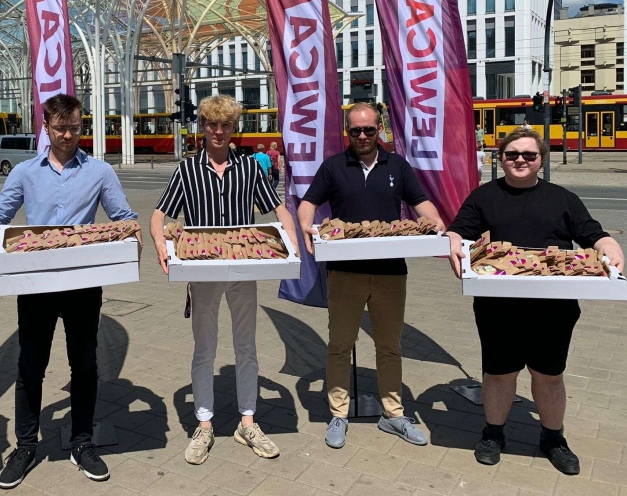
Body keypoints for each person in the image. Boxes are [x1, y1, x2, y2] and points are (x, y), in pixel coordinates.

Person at [0, 94, 140, 489]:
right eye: (60, 128)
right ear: (46, 126)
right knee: (30, 366)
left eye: (74, 128)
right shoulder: (25, 172)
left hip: (82, 284)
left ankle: (81, 442)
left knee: (84, 365)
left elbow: (124, 218)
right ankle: (25, 446)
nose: (68, 135)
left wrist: (132, 243)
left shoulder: (100, 171)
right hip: (35, 284)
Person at [446, 128, 623, 475]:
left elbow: (593, 234)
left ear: (541, 159)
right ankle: (493, 434)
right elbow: (460, 230)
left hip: (554, 307)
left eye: (529, 154)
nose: (520, 160)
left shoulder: (563, 198)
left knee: (549, 375)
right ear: (501, 159)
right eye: (512, 154)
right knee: (499, 373)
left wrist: (610, 246)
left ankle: (553, 438)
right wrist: (452, 240)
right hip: (498, 306)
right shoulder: (483, 196)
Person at [150, 95, 300, 466]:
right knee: (204, 348)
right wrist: (160, 246)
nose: (219, 132)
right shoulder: (188, 170)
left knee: (246, 346)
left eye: (226, 125)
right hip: (202, 272)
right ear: (203, 126)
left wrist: (292, 242)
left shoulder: (249, 168)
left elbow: (277, 208)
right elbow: (159, 214)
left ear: (235, 128)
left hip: (243, 269)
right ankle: (204, 424)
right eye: (212, 124)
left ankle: (247, 422)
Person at [297, 102, 445, 450]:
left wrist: (435, 220)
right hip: (344, 272)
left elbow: (421, 203)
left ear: (380, 129)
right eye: (355, 130)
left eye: (368, 129)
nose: (362, 136)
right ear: (347, 132)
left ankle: (393, 414)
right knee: (340, 345)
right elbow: (308, 202)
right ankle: (338, 414)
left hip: (390, 272)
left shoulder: (398, 165)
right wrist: (305, 225)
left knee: (390, 346)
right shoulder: (334, 166)